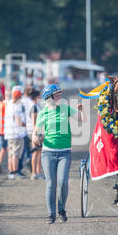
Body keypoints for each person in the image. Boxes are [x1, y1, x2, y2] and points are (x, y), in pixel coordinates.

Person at [33, 84, 86, 224]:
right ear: (48, 98)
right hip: (48, 153)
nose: (59, 97)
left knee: (62, 183)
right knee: (51, 184)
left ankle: (61, 209)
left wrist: (81, 111)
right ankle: (51, 214)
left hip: (64, 152)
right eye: (56, 95)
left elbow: (82, 119)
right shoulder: (43, 113)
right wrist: (36, 138)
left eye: (59, 94)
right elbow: (36, 132)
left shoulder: (65, 108)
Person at [4, 87, 27, 180]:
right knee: (16, 154)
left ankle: (11, 172)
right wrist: (26, 125)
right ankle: (15, 172)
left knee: (10, 154)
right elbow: (18, 122)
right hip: (16, 133)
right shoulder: (18, 106)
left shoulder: (8, 104)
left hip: (8, 133)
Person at [27, 89, 43, 180]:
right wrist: (35, 134)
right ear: (36, 97)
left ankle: (38, 172)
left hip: (37, 131)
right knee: (36, 153)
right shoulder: (34, 107)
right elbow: (34, 122)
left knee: (38, 152)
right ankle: (34, 172)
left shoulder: (35, 106)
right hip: (35, 132)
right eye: (39, 96)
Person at [0, 89, 10, 174]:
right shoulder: (10, 105)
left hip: (0, 130)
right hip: (8, 130)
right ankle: (10, 167)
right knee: (9, 149)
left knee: (3, 149)